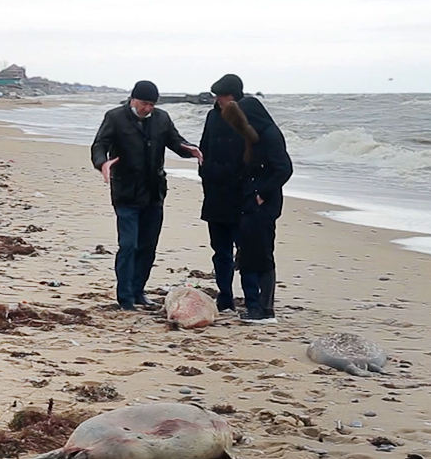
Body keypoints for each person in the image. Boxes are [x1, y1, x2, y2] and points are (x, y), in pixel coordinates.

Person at [91, 80, 203, 311]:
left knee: (148, 246)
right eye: (144, 104)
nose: (148, 109)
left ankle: (138, 291)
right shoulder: (115, 117)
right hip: (126, 193)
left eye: (152, 104)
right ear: (133, 100)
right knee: (129, 245)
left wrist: (190, 149)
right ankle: (125, 298)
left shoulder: (162, 118)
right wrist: (102, 163)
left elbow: (175, 141)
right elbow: (99, 145)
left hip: (154, 193)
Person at [213, 78, 292, 324]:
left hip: (264, 204)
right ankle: (256, 307)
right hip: (250, 202)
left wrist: (261, 193)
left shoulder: (270, 135)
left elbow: (284, 169)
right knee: (248, 253)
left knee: (262, 254)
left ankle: (265, 310)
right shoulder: (253, 135)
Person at [198, 74, 258, 313]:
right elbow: (204, 149)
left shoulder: (249, 115)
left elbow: (258, 150)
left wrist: (253, 188)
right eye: (217, 96)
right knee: (220, 251)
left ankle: (253, 301)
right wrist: (206, 176)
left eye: (222, 95)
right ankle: (225, 297)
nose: (218, 100)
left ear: (234, 95)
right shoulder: (212, 115)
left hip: (241, 196)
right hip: (214, 195)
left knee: (247, 252)